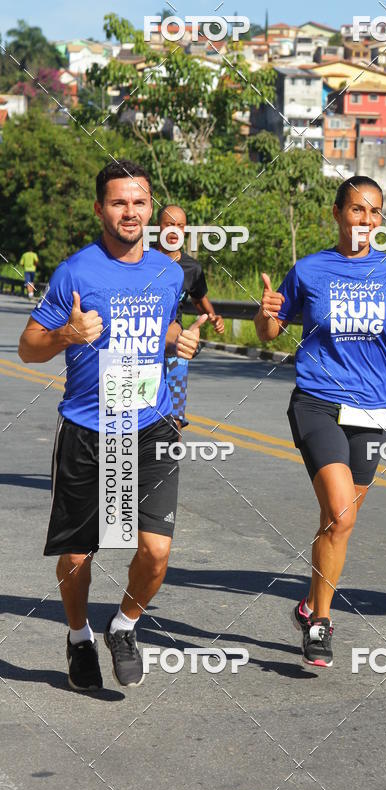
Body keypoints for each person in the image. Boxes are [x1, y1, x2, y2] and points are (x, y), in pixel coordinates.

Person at [18, 159, 202, 691]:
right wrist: (66, 336)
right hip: (87, 429)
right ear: (100, 208)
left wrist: (177, 341)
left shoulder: (168, 273)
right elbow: (28, 348)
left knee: (157, 550)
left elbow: (162, 326)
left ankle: (123, 625)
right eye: (118, 202)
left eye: (139, 202)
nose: (130, 212)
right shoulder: (76, 271)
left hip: (150, 425)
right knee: (78, 556)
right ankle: (78, 637)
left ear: (151, 209)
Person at [254, 175, 386, 668]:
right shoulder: (309, 270)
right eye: (357, 210)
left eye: (375, 212)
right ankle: (320, 624)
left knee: (336, 523)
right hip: (316, 402)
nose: (366, 220)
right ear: (338, 213)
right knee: (342, 516)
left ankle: (308, 603)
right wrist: (266, 313)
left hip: (371, 410)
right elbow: (271, 331)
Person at [157, 205, 225, 430]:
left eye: (180, 226)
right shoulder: (142, 260)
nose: (174, 230)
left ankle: (168, 461)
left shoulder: (191, 268)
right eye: (169, 224)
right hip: (143, 344)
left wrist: (214, 318)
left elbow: (199, 301)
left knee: (175, 417)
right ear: (158, 227)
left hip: (177, 345)